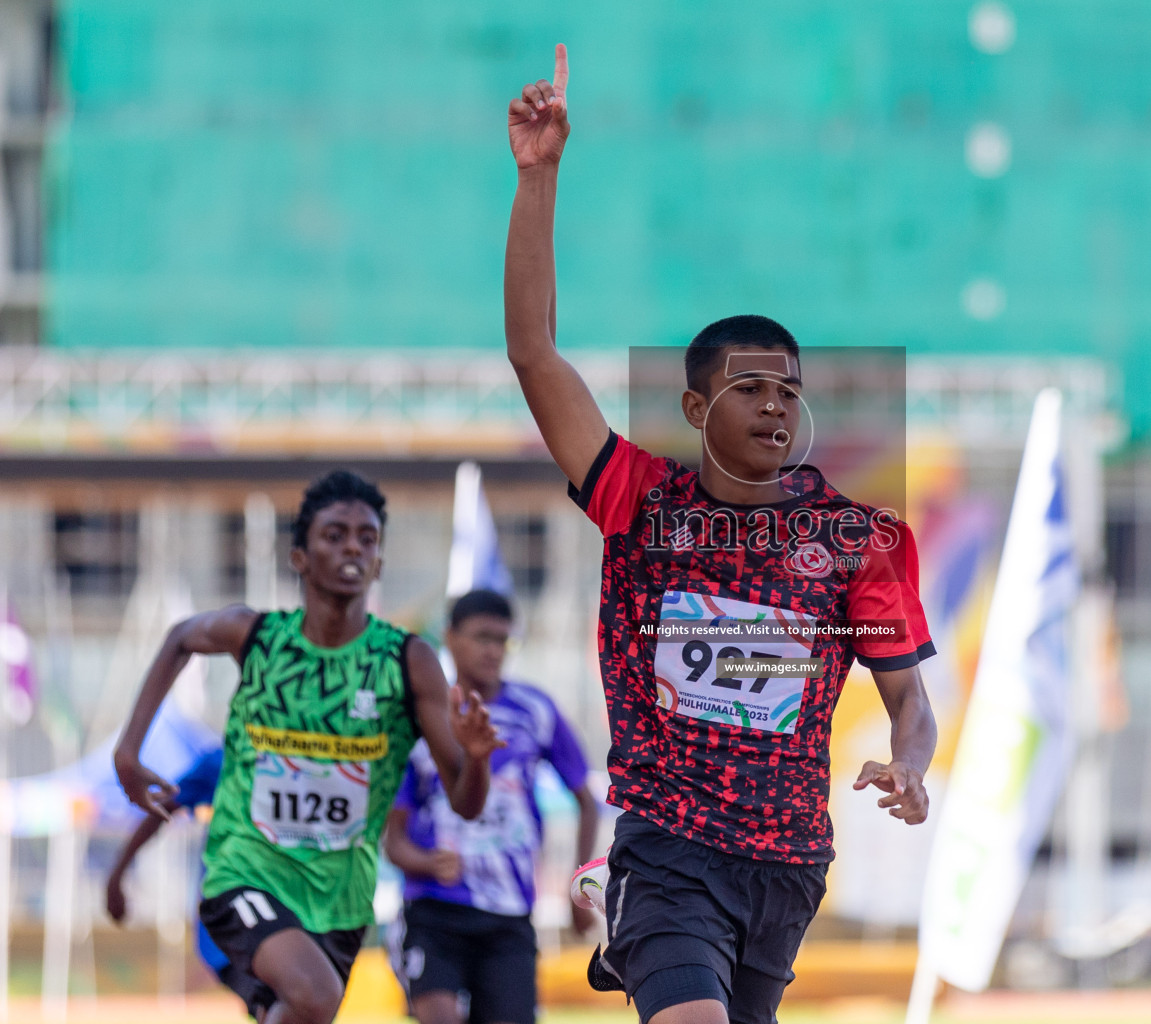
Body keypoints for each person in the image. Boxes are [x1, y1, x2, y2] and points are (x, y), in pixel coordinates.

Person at [502, 47, 939, 1024]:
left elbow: (910, 700)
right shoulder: (638, 500)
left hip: (786, 860)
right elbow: (532, 352)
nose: (775, 406)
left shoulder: (855, 539)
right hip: (668, 848)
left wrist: (911, 762)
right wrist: (539, 179)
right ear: (697, 405)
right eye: (750, 387)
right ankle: (615, 898)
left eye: (789, 390)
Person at [113, 470, 503, 1024]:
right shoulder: (257, 637)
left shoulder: (406, 662)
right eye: (335, 534)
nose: (352, 547)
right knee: (314, 998)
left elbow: (466, 801)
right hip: (246, 870)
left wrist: (479, 758)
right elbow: (180, 637)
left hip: (339, 899)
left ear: (379, 564)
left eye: (367, 539)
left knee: (296, 1013)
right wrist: (128, 751)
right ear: (299, 556)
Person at [385, 588, 600, 1024]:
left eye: (503, 640)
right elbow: (394, 840)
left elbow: (586, 799)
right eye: (482, 636)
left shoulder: (535, 710)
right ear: (449, 637)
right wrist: (428, 862)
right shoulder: (422, 718)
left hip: (510, 914)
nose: (493, 650)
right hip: (435, 909)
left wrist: (579, 894)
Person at [104, 746, 270, 1016]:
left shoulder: (312, 761)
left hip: (298, 912)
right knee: (277, 1001)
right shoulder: (225, 759)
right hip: (231, 919)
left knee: (300, 1001)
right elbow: (159, 811)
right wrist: (117, 876)